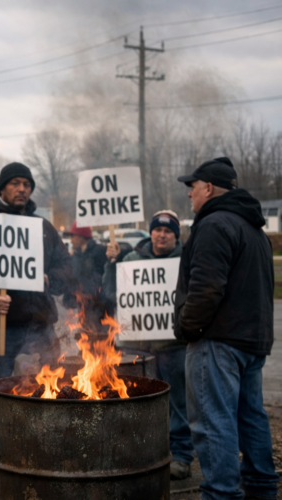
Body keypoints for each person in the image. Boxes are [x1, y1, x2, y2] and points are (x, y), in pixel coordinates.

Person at [175, 157, 278, 500]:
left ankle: (221, 494)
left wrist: (187, 329)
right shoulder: (254, 229)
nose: (189, 195)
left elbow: (206, 288)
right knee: (251, 418)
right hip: (251, 341)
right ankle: (263, 488)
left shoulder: (214, 224)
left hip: (217, 341)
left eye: (192, 188)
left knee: (211, 423)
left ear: (208, 188)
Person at [0, 162, 71, 478]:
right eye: (15, 183)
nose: (22, 189)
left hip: (39, 323)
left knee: (54, 383)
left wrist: (52, 278)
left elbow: (65, 266)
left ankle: (46, 444)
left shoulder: (43, 228)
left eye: (27, 184)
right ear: (2, 188)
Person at [101, 210, 194, 480]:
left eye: (168, 231)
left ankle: (181, 456)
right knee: (137, 403)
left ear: (176, 235)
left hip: (174, 345)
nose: (162, 234)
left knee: (178, 404)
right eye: (157, 229)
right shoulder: (131, 259)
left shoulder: (185, 260)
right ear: (150, 232)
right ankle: (140, 454)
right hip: (138, 348)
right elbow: (109, 293)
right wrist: (111, 263)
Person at [63, 221, 111, 330]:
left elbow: (107, 278)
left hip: (102, 311)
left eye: (73, 236)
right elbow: (73, 280)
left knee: (102, 343)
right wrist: (68, 298)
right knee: (85, 341)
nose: (71, 240)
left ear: (81, 236)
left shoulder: (100, 252)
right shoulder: (75, 257)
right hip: (84, 311)